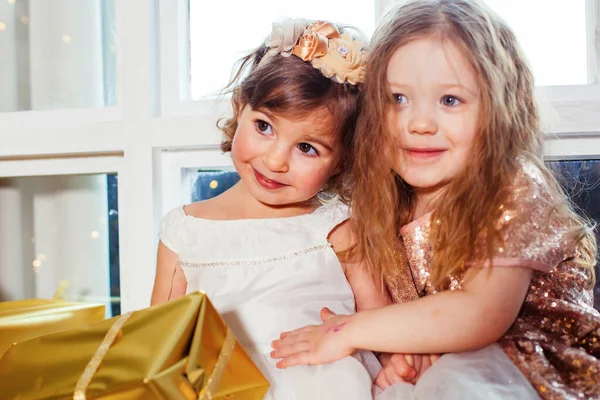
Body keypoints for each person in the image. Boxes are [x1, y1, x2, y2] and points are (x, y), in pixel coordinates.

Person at [270, 1, 600, 399]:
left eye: (449, 101)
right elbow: (406, 316)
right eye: (398, 99)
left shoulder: (510, 186)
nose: (420, 124)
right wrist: (402, 356)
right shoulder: (384, 201)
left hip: (529, 375)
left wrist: (347, 330)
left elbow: (480, 314)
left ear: (498, 109)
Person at [151, 18, 389, 399]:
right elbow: (158, 339)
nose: (276, 160)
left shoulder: (335, 227)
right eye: (264, 126)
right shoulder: (185, 230)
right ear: (239, 107)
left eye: (307, 148)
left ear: (342, 162)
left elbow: (382, 323)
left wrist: (398, 364)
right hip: (222, 387)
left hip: (324, 384)